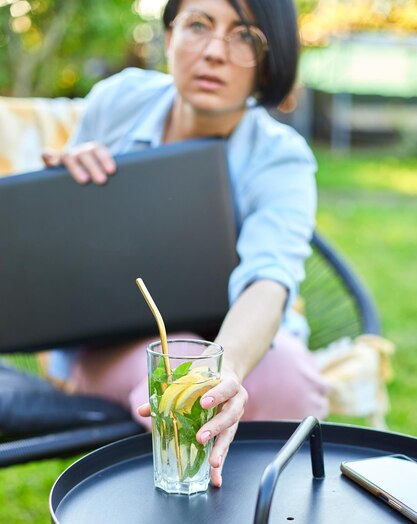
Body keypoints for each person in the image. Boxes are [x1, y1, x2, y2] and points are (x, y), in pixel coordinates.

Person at [43, 0, 329, 487]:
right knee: (175, 361)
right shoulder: (118, 102)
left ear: (270, 59)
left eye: (244, 36)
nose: (215, 51)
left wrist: (220, 370)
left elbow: (269, 278)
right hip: (113, 342)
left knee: (291, 378)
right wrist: (65, 191)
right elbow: (52, 250)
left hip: (234, 335)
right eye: (199, 25)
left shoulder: (282, 159)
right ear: (170, 35)